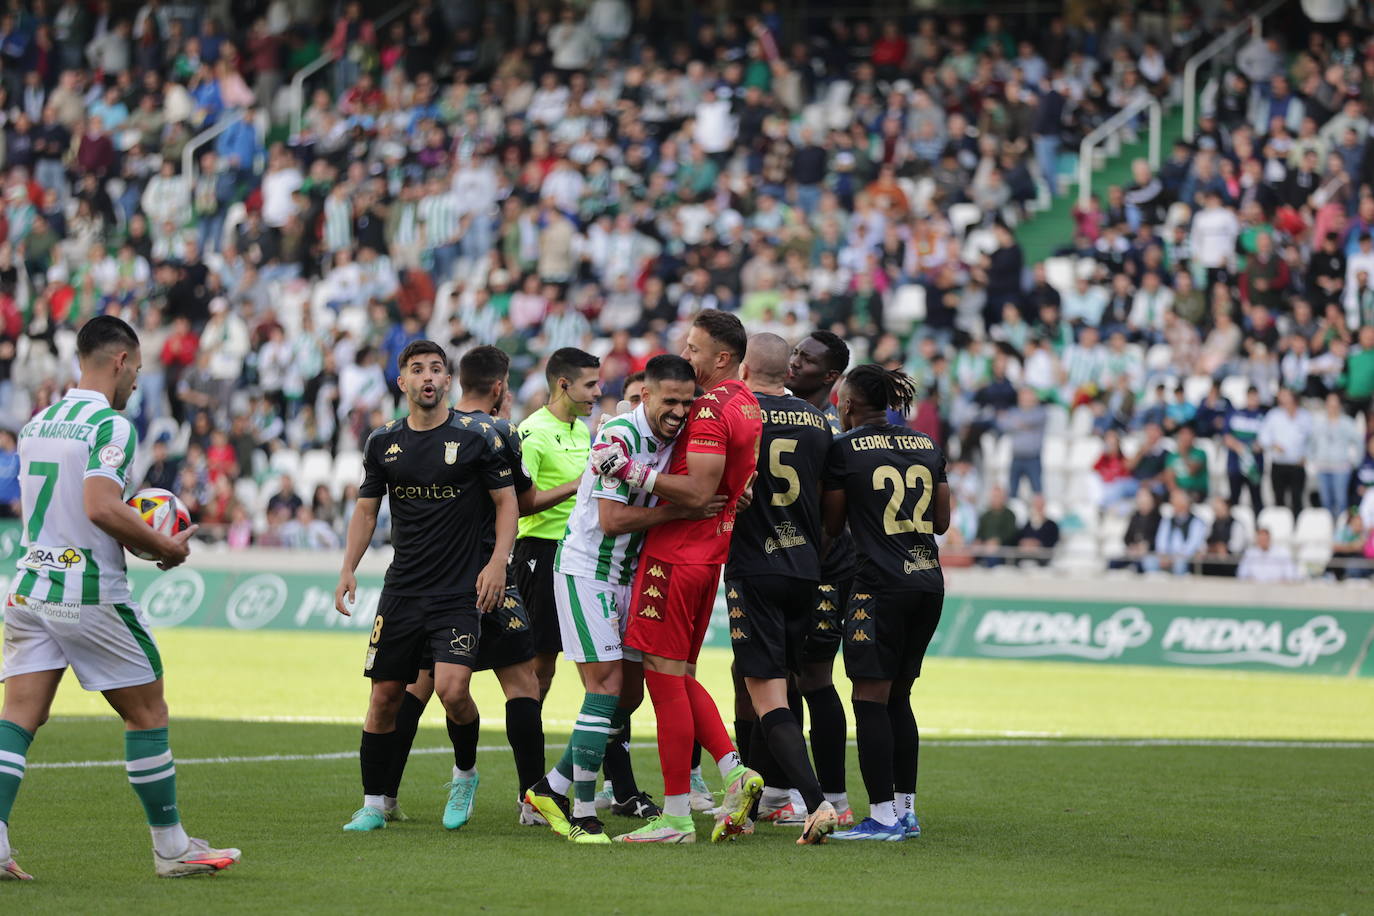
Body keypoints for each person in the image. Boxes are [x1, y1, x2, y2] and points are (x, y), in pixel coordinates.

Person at [3, 315, 237, 879]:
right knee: (148, 710)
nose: (136, 381)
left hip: (30, 586)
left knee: (19, 717)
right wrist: (164, 546)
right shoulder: (111, 426)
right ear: (121, 361)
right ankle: (172, 848)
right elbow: (100, 506)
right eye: (137, 369)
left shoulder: (37, 423)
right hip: (86, 589)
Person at [380, 346, 581, 832]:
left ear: (455, 381)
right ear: (499, 387)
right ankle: (532, 799)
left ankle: (383, 796)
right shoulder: (498, 431)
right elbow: (523, 502)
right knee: (521, 684)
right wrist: (580, 483)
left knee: (419, 686)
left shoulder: (430, 432)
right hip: (489, 576)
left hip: (429, 582)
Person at [524, 354, 719, 843]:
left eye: (686, 403)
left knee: (629, 694)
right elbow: (611, 522)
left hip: (631, 575)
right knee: (606, 687)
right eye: (670, 401)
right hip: (587, 569)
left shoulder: (677, 437)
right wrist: (680, 511)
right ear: (645, 395)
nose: (679, 411)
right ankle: (582, 811)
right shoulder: (618, 438)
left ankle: (550, 787)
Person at [591, 310, 764, 844]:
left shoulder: (709, 408)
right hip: (707, 556)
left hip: (675, 557)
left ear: (722, 357)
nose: (685, 356)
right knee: (682, 676)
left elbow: (698, 490)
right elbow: (737, 480)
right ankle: (734, 771)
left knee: (664, 683)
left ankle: (675, 817)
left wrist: (630, 469)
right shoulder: (746, 400)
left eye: (694, 348)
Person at [333, 340, 518, 833]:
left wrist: (498, 562)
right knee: (383, 698)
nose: (428, 377)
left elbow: (507, 504)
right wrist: (348, 566)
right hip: (402, 591)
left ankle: (464, 775)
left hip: (459, 590)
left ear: (449, 381)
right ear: (403, 382)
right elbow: (366, 511)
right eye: (417, 370)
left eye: (436, 369)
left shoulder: (478, 437)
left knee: (454, 691)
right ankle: (375, 804)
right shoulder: (382, 442)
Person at [721, 332, 840, 845]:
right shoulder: (819, 422)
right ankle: (750, 805)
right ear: (785, 371)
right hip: (804, 570)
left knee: (766, 694)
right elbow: (829, 504)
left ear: (744, 370)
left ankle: (815, 803)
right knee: (777, 685)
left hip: (755, 567)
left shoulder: (738, 413)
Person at [822, 365, 949, 841]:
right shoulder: (926, 445)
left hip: (878, 586)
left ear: (850, 404)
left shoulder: (844, 449)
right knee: (899, 696)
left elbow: (833, 525)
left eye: (840, 401)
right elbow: (941, 521)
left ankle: (880, 817)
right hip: (927, 582)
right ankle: (905, 811)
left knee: (869, 698)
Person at [783, 329, 855, 829]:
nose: (794, 362)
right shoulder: (788, 414)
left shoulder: (830, 428)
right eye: (794, 352)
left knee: (814, 677)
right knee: (780, 675)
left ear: (831, 376)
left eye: (806, 359)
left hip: (824, 566)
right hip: (791, 562)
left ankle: (833, 797)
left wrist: (812, 561)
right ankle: (785, 792)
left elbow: (834, 513)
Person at [515, 348, 603, 700]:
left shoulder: (581, 430)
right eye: (590, 385)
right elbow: (520, 505)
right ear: (564, 384)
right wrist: (578, 483)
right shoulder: (532, 431)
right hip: (540, 552)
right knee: (540, 665)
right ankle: (527, 732)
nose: (598, 392)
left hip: (579, 551)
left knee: (592, 661)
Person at [1258, 388, 1312, 516]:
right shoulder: (1274, 415)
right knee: (1279, 498)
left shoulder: (1305, 416)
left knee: (1297, 498)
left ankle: (1297, 524)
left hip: (1297, 464)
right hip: (1279, 464)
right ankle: (1281, 524)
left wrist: (1307, 455)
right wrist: (1273, 444)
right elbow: (1263, 437)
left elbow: (1312, 439)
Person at [1311, 392, 1361, 519]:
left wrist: (1356, 462)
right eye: (1329, 404)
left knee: (1341, 500)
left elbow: (1359, 442)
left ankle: (1341, 527)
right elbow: (1311, 442)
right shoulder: (1319, 422)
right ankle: (1328, 526)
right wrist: (1312, 459)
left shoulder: (1347, 423)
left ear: (1339, 405)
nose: (1332, 407)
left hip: (1341, 467)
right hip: (1323, 466)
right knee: (1325, 500)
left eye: (1335, 404)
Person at [1152, 488, 1207, 575]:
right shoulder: (1167, 521)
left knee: (1179, 564)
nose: (1172, 502)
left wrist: (1176, 557)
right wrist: (1164, 555)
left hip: (1185, 558)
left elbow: (1192, 545)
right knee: (1150, 562)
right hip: (1167, 557)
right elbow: (1160, 541)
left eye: (1175, 500)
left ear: (1185, 503)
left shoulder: (1196, 522)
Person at [1236, 528, 1300, 582]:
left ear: (1269, 538)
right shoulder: (1250, 553)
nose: (1263, 541)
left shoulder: (1281, 552)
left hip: (1277, 587)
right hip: (1255, 588)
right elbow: (1242, 573)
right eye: (1261, 539)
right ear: (1257, 539)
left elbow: (1290, 573)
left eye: (1265, 538)